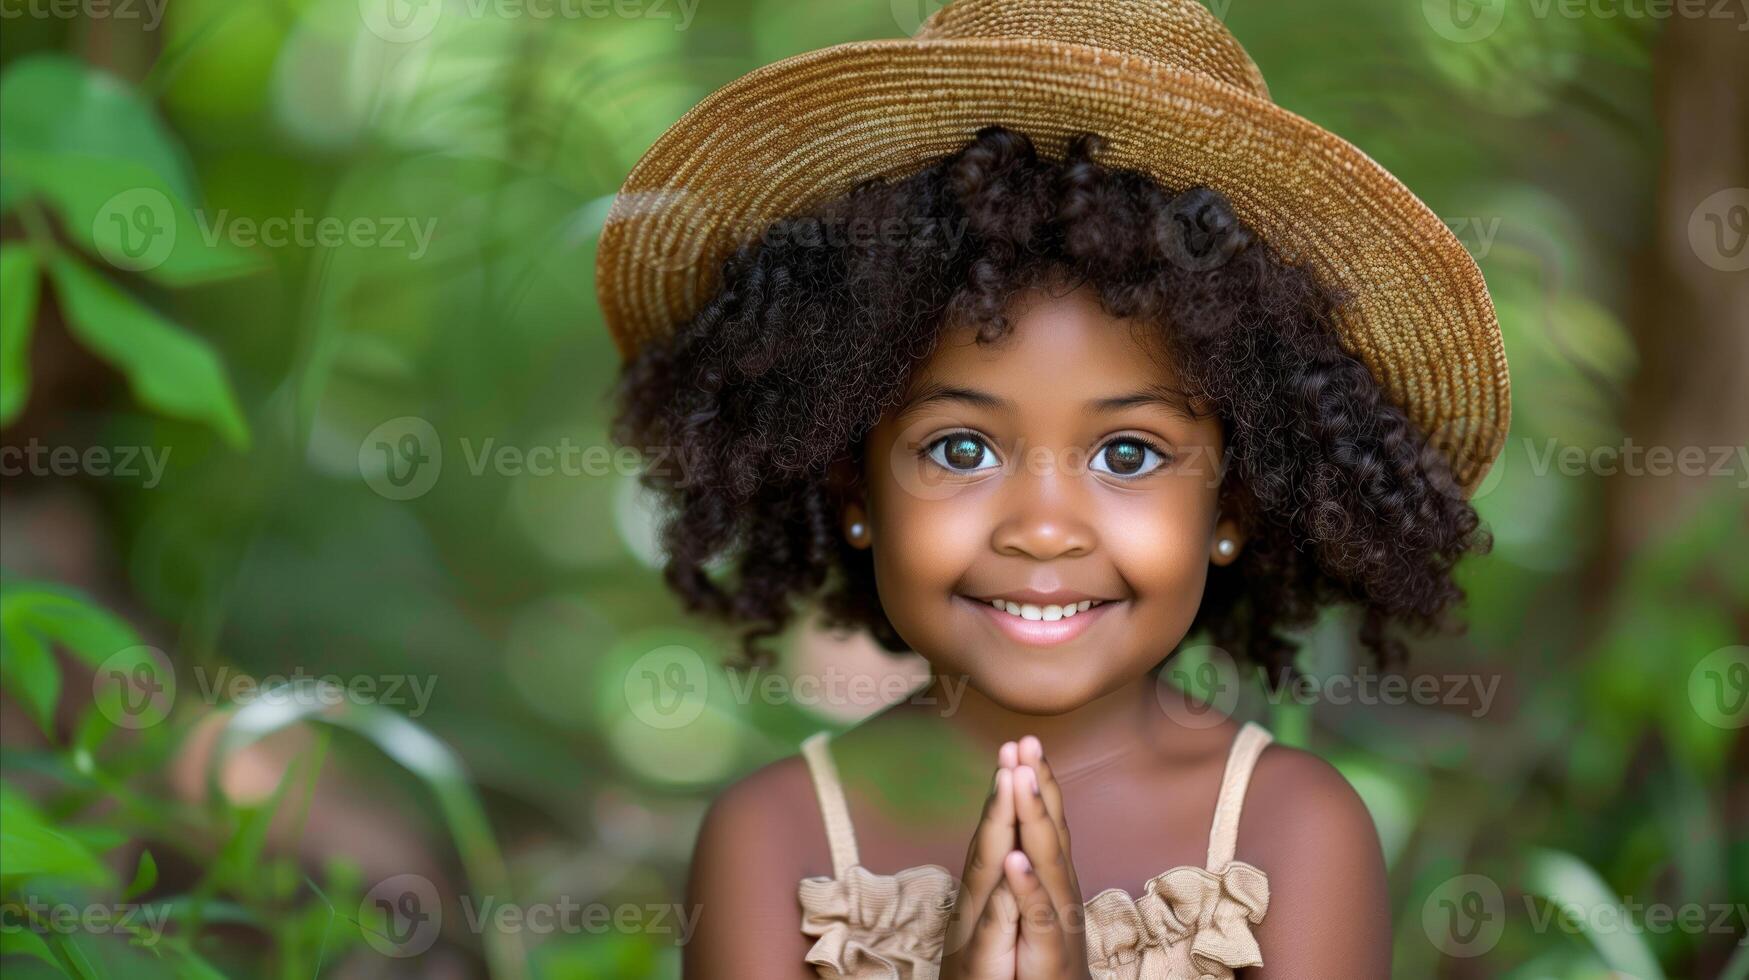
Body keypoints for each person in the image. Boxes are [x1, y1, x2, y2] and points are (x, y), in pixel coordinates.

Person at [597, 1, 1509, 976]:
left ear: (1233, 506)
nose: (1040, 528)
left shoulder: (1295, 833)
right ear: (849, 479)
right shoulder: (772, 839)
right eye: (958, 449)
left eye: (1127, 454)